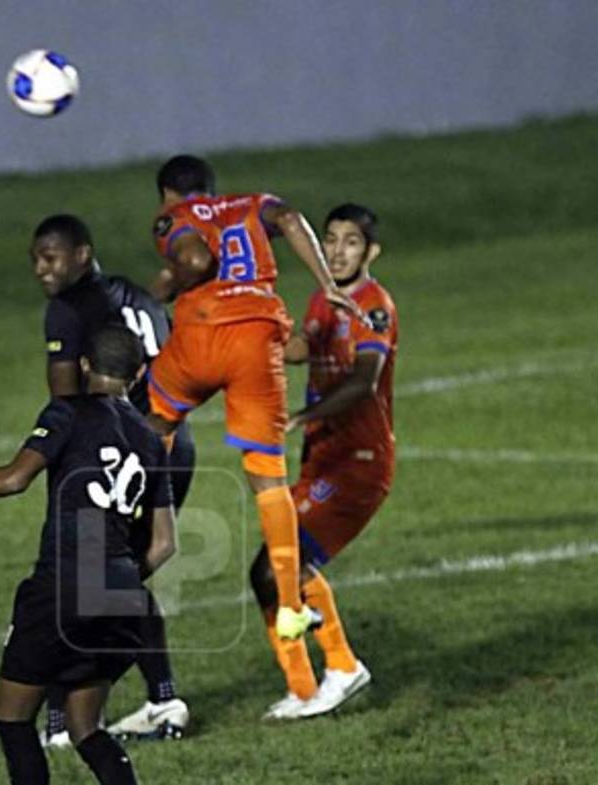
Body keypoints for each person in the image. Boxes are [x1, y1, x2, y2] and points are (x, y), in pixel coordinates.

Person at [0, 325, 177, 785]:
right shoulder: (152, 439)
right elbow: (165, 543)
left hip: (62, 589)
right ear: (140, 373)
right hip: (124, 598)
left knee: (13, 721)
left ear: (85, 365)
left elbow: (16, 478)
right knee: (87, 728)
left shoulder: (69, 412)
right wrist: (117, 577)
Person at [145, 155, 369, 650]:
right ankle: (291, 604)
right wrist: (328, 287)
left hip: (202, 333)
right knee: (268, 477)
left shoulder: (172, 218)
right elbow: (289, 219)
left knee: (151, 419)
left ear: (168, 194)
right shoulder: (253, 204)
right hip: (258, 341)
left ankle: (139, 533)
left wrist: (160, 288)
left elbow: (195, 261)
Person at [31, 213, 194, 744]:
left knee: (77, 581)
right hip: (169, 446)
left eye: (50, 257)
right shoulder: (136, 296)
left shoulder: (67, 310)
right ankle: (163, 700)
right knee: (116, 580)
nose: (40, 269)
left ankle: (63, 723)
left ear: (81, 253)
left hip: (108, 453)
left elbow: (67, 401)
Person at [253, 203, 398, 719]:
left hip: (358, 464)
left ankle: (341, 667)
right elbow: (297, 348)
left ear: (371, 251)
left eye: (350, 242)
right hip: (324, 459)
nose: (337, 250)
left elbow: (364, 380)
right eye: (331, 239)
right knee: (266, 572)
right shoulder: (321, 298)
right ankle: (304, 689)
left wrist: (301, 415)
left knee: (283, 566)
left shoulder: (374, 306)